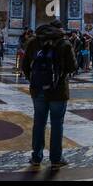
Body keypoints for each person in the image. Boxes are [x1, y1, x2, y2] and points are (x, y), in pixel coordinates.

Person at [20, 20, 77, 169]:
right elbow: (73, 66)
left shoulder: (34, 41)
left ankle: (36, 157)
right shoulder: (64, 43)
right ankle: (56, 159)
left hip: (38, 90)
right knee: (57, 124)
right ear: (60, 29)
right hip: (58, 91)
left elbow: (24, 66)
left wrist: (34, 80)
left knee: (39, 123)